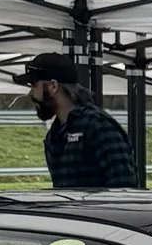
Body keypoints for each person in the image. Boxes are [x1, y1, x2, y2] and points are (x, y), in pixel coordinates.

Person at [21, 52, 139, 189]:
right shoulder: (54, 136)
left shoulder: (97, 125)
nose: (31, 93)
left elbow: (125, 187)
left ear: (53, 86)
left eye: (34, 85)